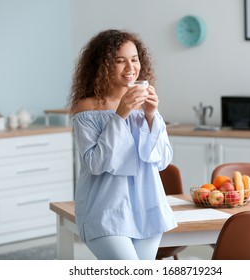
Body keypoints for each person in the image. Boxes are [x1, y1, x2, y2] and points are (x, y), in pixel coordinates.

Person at [68, 29, 177, 260]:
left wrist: (151, 115)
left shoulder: (143, 103)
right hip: (105, 211)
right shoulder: (87, 108)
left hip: (147, 207)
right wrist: (121, 115)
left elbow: (162, 160)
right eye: (120, 61)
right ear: (103, 66)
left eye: (134, 59)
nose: (130, 68)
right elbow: (95, 164)